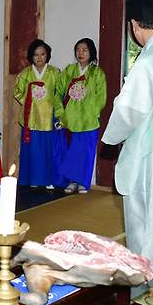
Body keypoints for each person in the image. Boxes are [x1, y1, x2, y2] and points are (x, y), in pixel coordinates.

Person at [101, 0, 153, 272]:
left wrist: (110, 138)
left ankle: (152, 289)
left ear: (134, 25)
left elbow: (130, 109)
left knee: (149, 229)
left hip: (152, 155)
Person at [53, 38, 106, 194]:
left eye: (85, 50)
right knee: (71, 152)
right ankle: (71, 181)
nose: (81, 53)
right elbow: (58, 93)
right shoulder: (69, 71)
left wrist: (92, 112)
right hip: (69, 119)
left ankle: (83, 182)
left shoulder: (97, 73)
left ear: (91, 53)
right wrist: (61, 114)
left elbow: (101, 97)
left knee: (86, 152)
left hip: (88, 120)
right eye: (78, 50)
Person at [13, 39, 60, 189]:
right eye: (36, 55)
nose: (39, 57)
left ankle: (49, 180)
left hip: (48, 116)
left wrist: (58, 112)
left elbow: (59, 92)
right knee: (32, 151)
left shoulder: (55, 73)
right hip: (31, 117)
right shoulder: (25, 74)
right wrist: (28, 102)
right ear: (31, 57)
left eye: (42, 54)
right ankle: (32, 179)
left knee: (48, 150)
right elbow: (17, 92)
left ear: (47, 55)